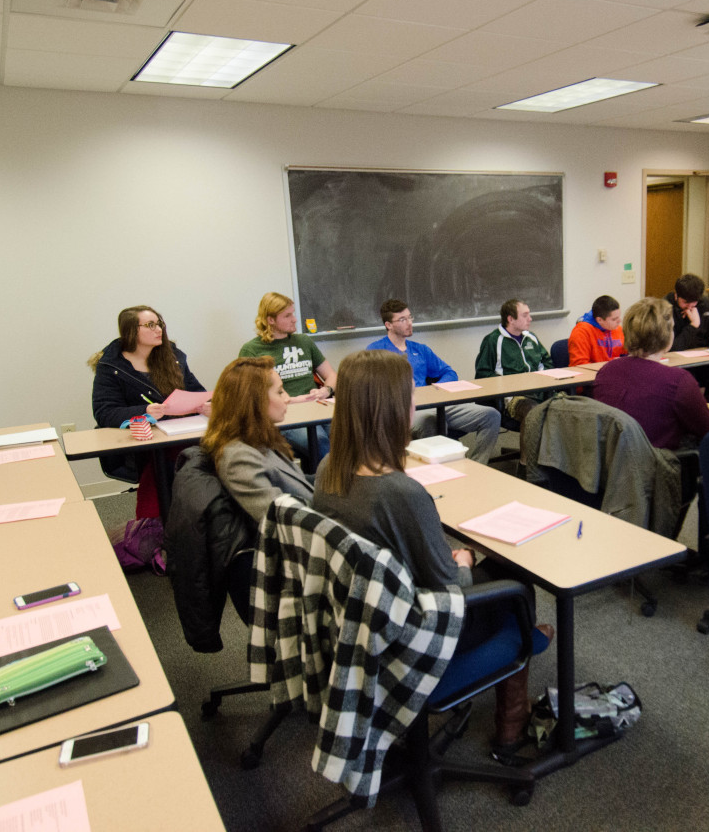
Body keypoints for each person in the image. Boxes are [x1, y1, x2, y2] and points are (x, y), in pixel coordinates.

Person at [312, 349, 549, 752]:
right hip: (412, 640)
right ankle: (513, 719)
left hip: (360, 626)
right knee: (517, 582)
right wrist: (465, 558)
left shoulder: (328, 467)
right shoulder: (400, 493)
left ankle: (521, 646)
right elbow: (450, 587)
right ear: (388, 408)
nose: (417, 403)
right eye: (410, 396)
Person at [593, 297, 709, 507]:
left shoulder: (606, 372)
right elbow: (707, 427)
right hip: (658, 475)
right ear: (667, 337)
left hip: (612, 471)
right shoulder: (678, 382)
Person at [88, 305, 209, 518]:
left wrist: (205, 404)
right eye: (150, 325)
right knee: (171, 459)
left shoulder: (173, 358)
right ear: (131, 331)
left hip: (180, 432)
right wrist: (145, 410)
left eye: (159, 323)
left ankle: (201, 516)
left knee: (215, 448)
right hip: (141, 441)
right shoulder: (111, 366)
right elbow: (105, 412)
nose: (159, 329)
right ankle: (151, 526)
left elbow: (196, 391)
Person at [367, 299, 501, 464]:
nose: (409, 323)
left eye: (410, 318)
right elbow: (371, 387)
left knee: (491, 416)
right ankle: (439, 472)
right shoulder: (376, 351)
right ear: (388, 325)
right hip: (405, 410)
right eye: (402, 320)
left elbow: (449, 372)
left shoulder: (420, 350)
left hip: (435, 404)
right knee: (430, 421)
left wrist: (436, 389)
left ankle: (477, 466)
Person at [201, 357, 314, 524]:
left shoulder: (258, 440)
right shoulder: (238, 458)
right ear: (255, 400)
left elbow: (295, 481)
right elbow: (283, 522)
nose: (287, 398)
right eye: (280, 391)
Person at [238, 292, 336, 463]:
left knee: (351, 435)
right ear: (271, 320)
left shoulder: (304, 341)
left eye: (293, 313)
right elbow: (250, 396)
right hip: (286, 413)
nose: (295, 319)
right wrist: (292, 400)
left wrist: (326, 391)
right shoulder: (251, 350)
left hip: (317, 405)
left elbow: (331, 375)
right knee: (320, 442)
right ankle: (335, 486)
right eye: (287, 315)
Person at [474, 298, 553, 423]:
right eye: (525, 315)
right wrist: (511, 383)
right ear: (511, 319)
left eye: (529, 314)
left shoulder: (531, 337)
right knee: (535, 413)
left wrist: (539, 379)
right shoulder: (493, 340)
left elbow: (547, 362)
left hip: (539, 391)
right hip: (513, 397)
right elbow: (482, 374)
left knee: (566, 408)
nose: (530, 319)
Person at [665, 274, 709, 352]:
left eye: (694, 302)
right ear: (676, 296)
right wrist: (694, 325)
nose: (690, 307)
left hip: (702, 355)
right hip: (676, 358)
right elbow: (671, 348)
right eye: (685, 302)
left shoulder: (705, 305)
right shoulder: (665, 308)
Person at [568, 294, 626, 366]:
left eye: (619, 317)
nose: (619, 321)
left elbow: (627, 353)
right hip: (592, 375)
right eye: (614, 319)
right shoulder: (581, 332)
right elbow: (579, 365)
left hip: (612, 372)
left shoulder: (617, 329)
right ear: (600, 320)